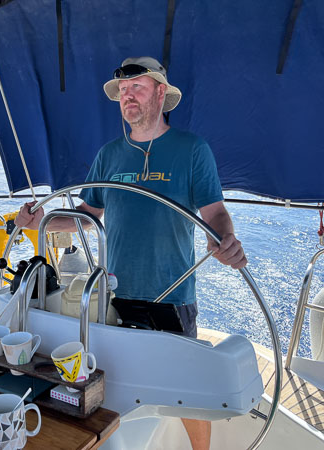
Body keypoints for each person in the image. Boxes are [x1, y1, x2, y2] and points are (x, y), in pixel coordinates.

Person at [15, 56, 246, 449]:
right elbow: (87, 215)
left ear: (161, 93)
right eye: (123, 90)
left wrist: (224, 239)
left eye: (137, 87)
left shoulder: (192, 150)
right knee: (114, 383)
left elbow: (215, 213)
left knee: (187, 391)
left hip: (172, 294)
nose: (127, 96)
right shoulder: (109, 155)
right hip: (114, 293)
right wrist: (40, 223)